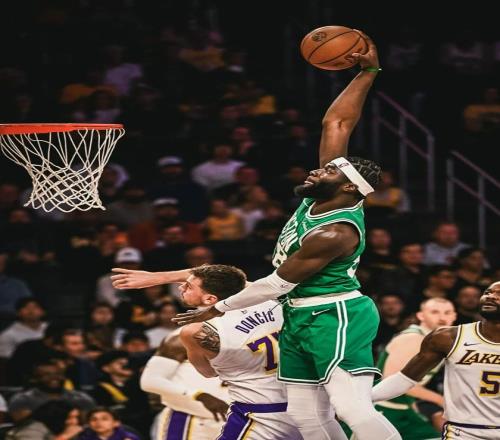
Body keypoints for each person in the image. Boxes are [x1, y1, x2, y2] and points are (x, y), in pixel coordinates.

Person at [111, 32, 400, 440]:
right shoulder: (325, 195)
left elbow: (275, 284)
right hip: (299, 312)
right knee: (306, 414)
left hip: (334, 313)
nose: (317, 169)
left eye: (328, 170)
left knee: (350, 406)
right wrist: (367, 72)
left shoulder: (335, 232)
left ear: (349, 187)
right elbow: (337, 122)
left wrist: (215, 309)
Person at [372, 281, 500, 439]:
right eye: (488, 292)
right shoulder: (445, 338)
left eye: (498, 294)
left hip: (406, 408)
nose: (491, 297)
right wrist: (361, 400)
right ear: (420, 315)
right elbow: (403, 379)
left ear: (454, 315)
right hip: (462, 431)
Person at [374, 298, 456, 439]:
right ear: (421, 316)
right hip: (381, 407)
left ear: (454, 316)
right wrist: (441, 400)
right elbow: (392, 381)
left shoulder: (436, 341)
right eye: (435, 312)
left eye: (447, 312)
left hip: (403, 408)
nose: (442, 317)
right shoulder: (413, 338)